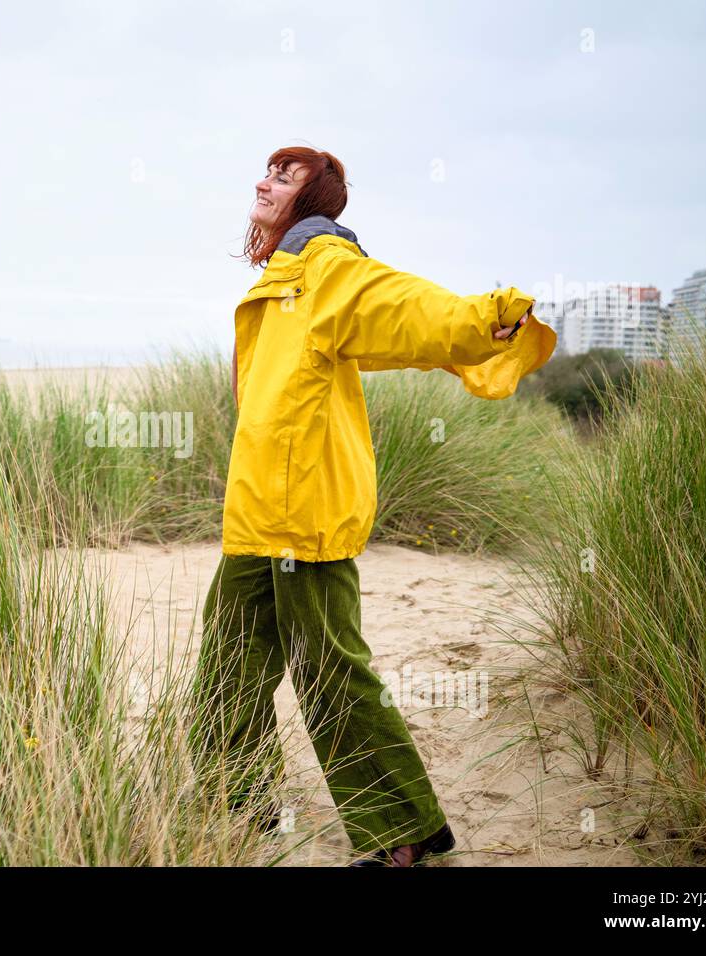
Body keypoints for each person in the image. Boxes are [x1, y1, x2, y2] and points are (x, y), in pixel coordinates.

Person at [187, 146, 556, 866]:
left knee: (329, 670)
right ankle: (240, 799)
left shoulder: (325, 264)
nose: (264, 183)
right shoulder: (285, 276)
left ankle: (404, 832)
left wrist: (484, 322)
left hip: (305, 513)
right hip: (258, 513)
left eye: (285, 177)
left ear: (312, 200)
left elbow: (403, 309)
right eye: (266, 172)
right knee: (228, 664)